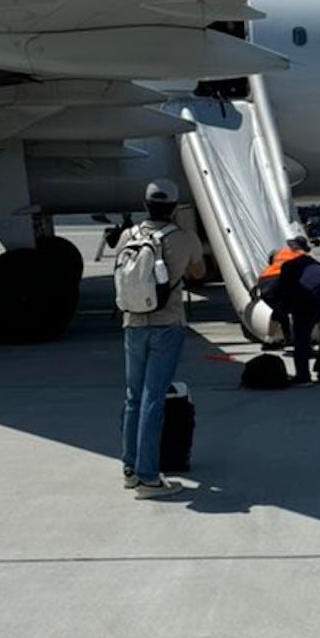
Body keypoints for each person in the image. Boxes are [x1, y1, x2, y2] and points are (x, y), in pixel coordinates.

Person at [118, 179, 205, 498]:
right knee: (154, 399)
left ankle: (130, 469)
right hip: (167, 322)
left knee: (133, 396)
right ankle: (148, 477)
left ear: (145, 205)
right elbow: (198, 273)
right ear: (174, 208)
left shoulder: (129, 235)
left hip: (132, 322)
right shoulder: (184, 238)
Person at [275, 247, 320, 385]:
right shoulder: (315, 264)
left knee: (302, 336)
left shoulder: (287, 266)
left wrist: (282, 313)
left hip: (316, 293)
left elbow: (282, 293)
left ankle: (303, 377)